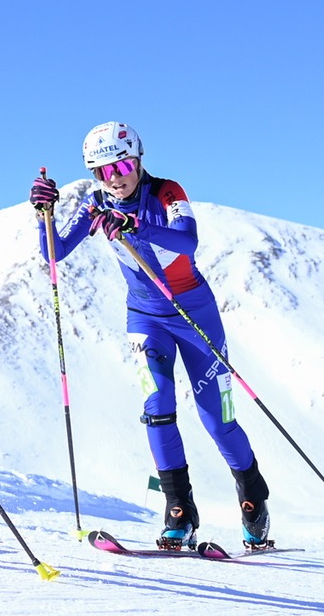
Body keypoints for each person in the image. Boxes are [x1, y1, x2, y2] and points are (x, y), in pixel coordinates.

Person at [30, 122, 273, 549]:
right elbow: (55, 252)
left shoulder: (167, 193)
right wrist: (43, 215)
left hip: (195, 315)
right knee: (157, 407)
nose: (115, 178)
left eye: (122, 166)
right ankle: (179, 510)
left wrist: (135, 224)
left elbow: (188, 242)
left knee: (217, 420)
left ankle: (253, 496)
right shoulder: (96, 204)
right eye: (103, 171)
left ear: (138, 160)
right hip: (145, 318)